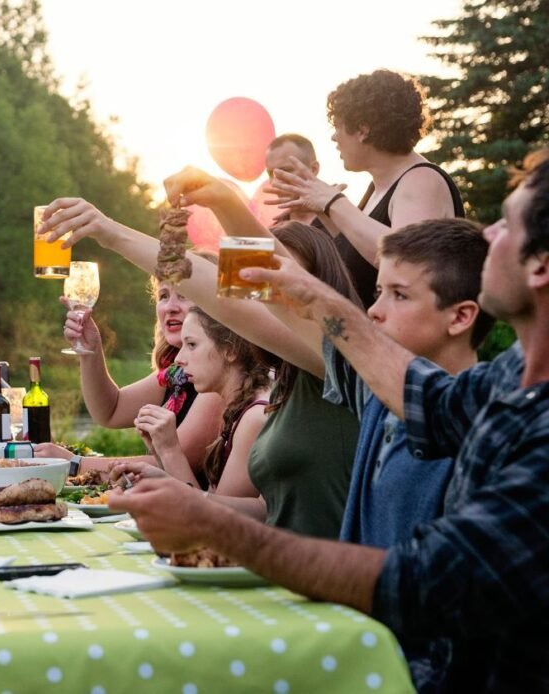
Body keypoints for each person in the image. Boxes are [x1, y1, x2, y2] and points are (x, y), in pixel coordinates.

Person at [111, 160, 549, 692]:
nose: (489, 233)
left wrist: (214, 525)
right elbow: (426, 396)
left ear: (541, 265)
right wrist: (309, 293)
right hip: (364, 653)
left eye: (506, 223)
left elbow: (426, 582)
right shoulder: (502, 379)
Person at [39, 201, 361, 538]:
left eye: (279, 284)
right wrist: (179, 493)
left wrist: (111, 233)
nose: (267, 299)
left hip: (324, 575)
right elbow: (270, 509)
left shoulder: (333, 363)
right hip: (281, 568)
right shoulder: (286, 381)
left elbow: (226, 297)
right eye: (260, 283)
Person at [265, 69, 465, 306]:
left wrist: (334, 203)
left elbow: (408, 261)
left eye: (337, 126)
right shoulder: (376, 189)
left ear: (362, 130)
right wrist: (325, 212)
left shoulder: (421, 180)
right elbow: (357, 258)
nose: (333, 138)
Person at [33, 278, 224, 478]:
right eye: (163, 296)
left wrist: (75, 464)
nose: (169, 307)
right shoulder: (176, 373)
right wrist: (91, 350)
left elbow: (177, 461)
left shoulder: (216, 380)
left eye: (184, 295)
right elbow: (111, 410)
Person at [133, 307, 272, 493]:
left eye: (191, 344)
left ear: (229, 350)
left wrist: (170, 449)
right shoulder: (237, 409)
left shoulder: (253, 418)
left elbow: (217, 518)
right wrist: (160, 452)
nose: (179, 359)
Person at [264, 133, 320, 225]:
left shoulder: (343, 223)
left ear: (313, 169)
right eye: (271, 174)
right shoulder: (274, 233)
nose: (275, 182)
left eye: (285, 171)